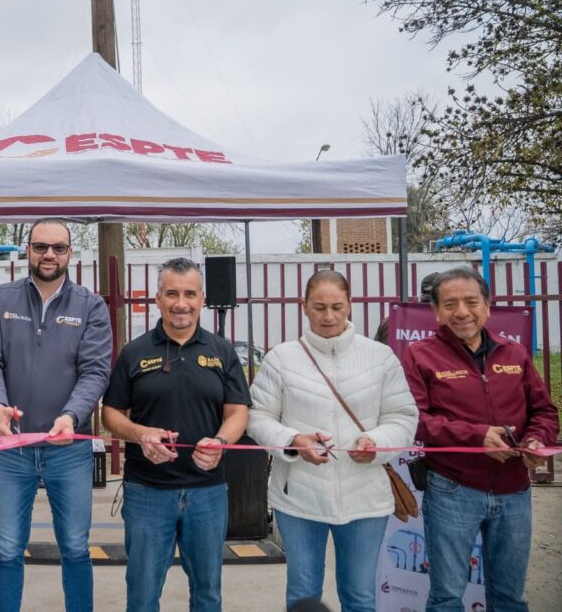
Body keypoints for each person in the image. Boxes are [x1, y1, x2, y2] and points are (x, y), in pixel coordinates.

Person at [248, 269, 418, 612]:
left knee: (359, 596)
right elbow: (257, 417)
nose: (328, 316)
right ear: (304, 307)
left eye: (337, 307)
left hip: (365, 498)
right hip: (298, 496)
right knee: (303, 595)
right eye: (319, 307)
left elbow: (403, 417)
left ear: (350, 306)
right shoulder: (281, 358)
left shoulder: (380, 357)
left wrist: (374, 441)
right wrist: (293, 439)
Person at [0, 218, 112, 612]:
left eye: (58, 247)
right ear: (27, 250)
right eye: (40, 246)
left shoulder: (91, 306)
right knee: (8, 549)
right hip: (10, 447)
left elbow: (95, 370)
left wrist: (72, 415)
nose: (49, 254)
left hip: (67, 449)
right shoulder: (1, 299)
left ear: (70, 253)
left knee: (74, 547)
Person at [402, 266, 558, 611]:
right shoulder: (420, 354)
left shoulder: (514, 353)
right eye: (451, 304)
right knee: (446, 598)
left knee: (509, 598)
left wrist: (534, 440)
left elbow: (545, 412)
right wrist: (478, 437)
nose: (462, 312)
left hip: (515, 490)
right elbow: (415, 420)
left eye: (471, 301)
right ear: (437, 312)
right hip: (453, 489)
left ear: (487, 305)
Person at [102, 257, 251, 612]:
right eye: (171, 293)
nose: (180, 303)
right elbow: (110, 414)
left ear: (202, 298)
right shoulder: (134, 352)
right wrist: (139, 434)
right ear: (158, 298)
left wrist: (220, 442)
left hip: (208, 491)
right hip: (146, 492)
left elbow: (238, 412)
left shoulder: (222, 351)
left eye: (189, 294)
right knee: (141, 595)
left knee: (207, 594)